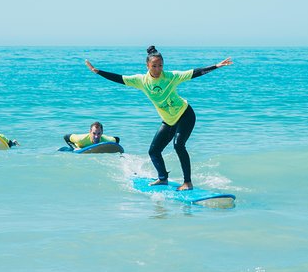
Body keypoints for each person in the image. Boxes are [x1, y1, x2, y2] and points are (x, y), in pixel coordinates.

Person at [85, 46, 232, 191]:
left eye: (160, 65)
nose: (157, 69)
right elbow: (120, 78)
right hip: (169, 120)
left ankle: (187, 182)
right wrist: (98, 72)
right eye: (154, 66)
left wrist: (216, 66)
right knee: (154, 151)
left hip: (185, 115)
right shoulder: (141, 80)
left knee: (178, 145)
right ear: (147, 65)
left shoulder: (171, 77)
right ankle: (162, 178)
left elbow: (194, 73)